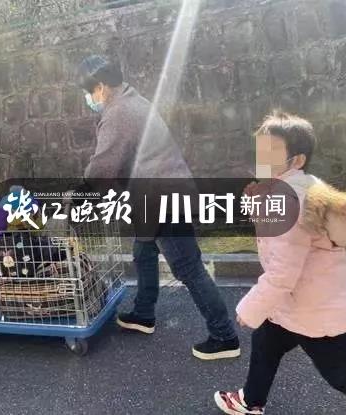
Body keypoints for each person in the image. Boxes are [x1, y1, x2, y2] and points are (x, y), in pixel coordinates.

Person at [214, 111, 346, 414]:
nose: (261, 157)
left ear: (296, 160)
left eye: (271, 151)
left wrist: (250, 308)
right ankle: (250, 401)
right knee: (265, 342)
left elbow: (282, 272)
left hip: (311, 309)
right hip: (296, 301)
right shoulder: (304, 186)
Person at [76, 55, 240, 360]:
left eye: (89, 91)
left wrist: (78, 195)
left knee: (188, 267)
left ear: (101, 86)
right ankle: (144, 314)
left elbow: (102, 166)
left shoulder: (120, 112)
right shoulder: (132, 100)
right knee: (143, 251)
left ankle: (224, 336)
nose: (89, 98)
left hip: (162, 199)